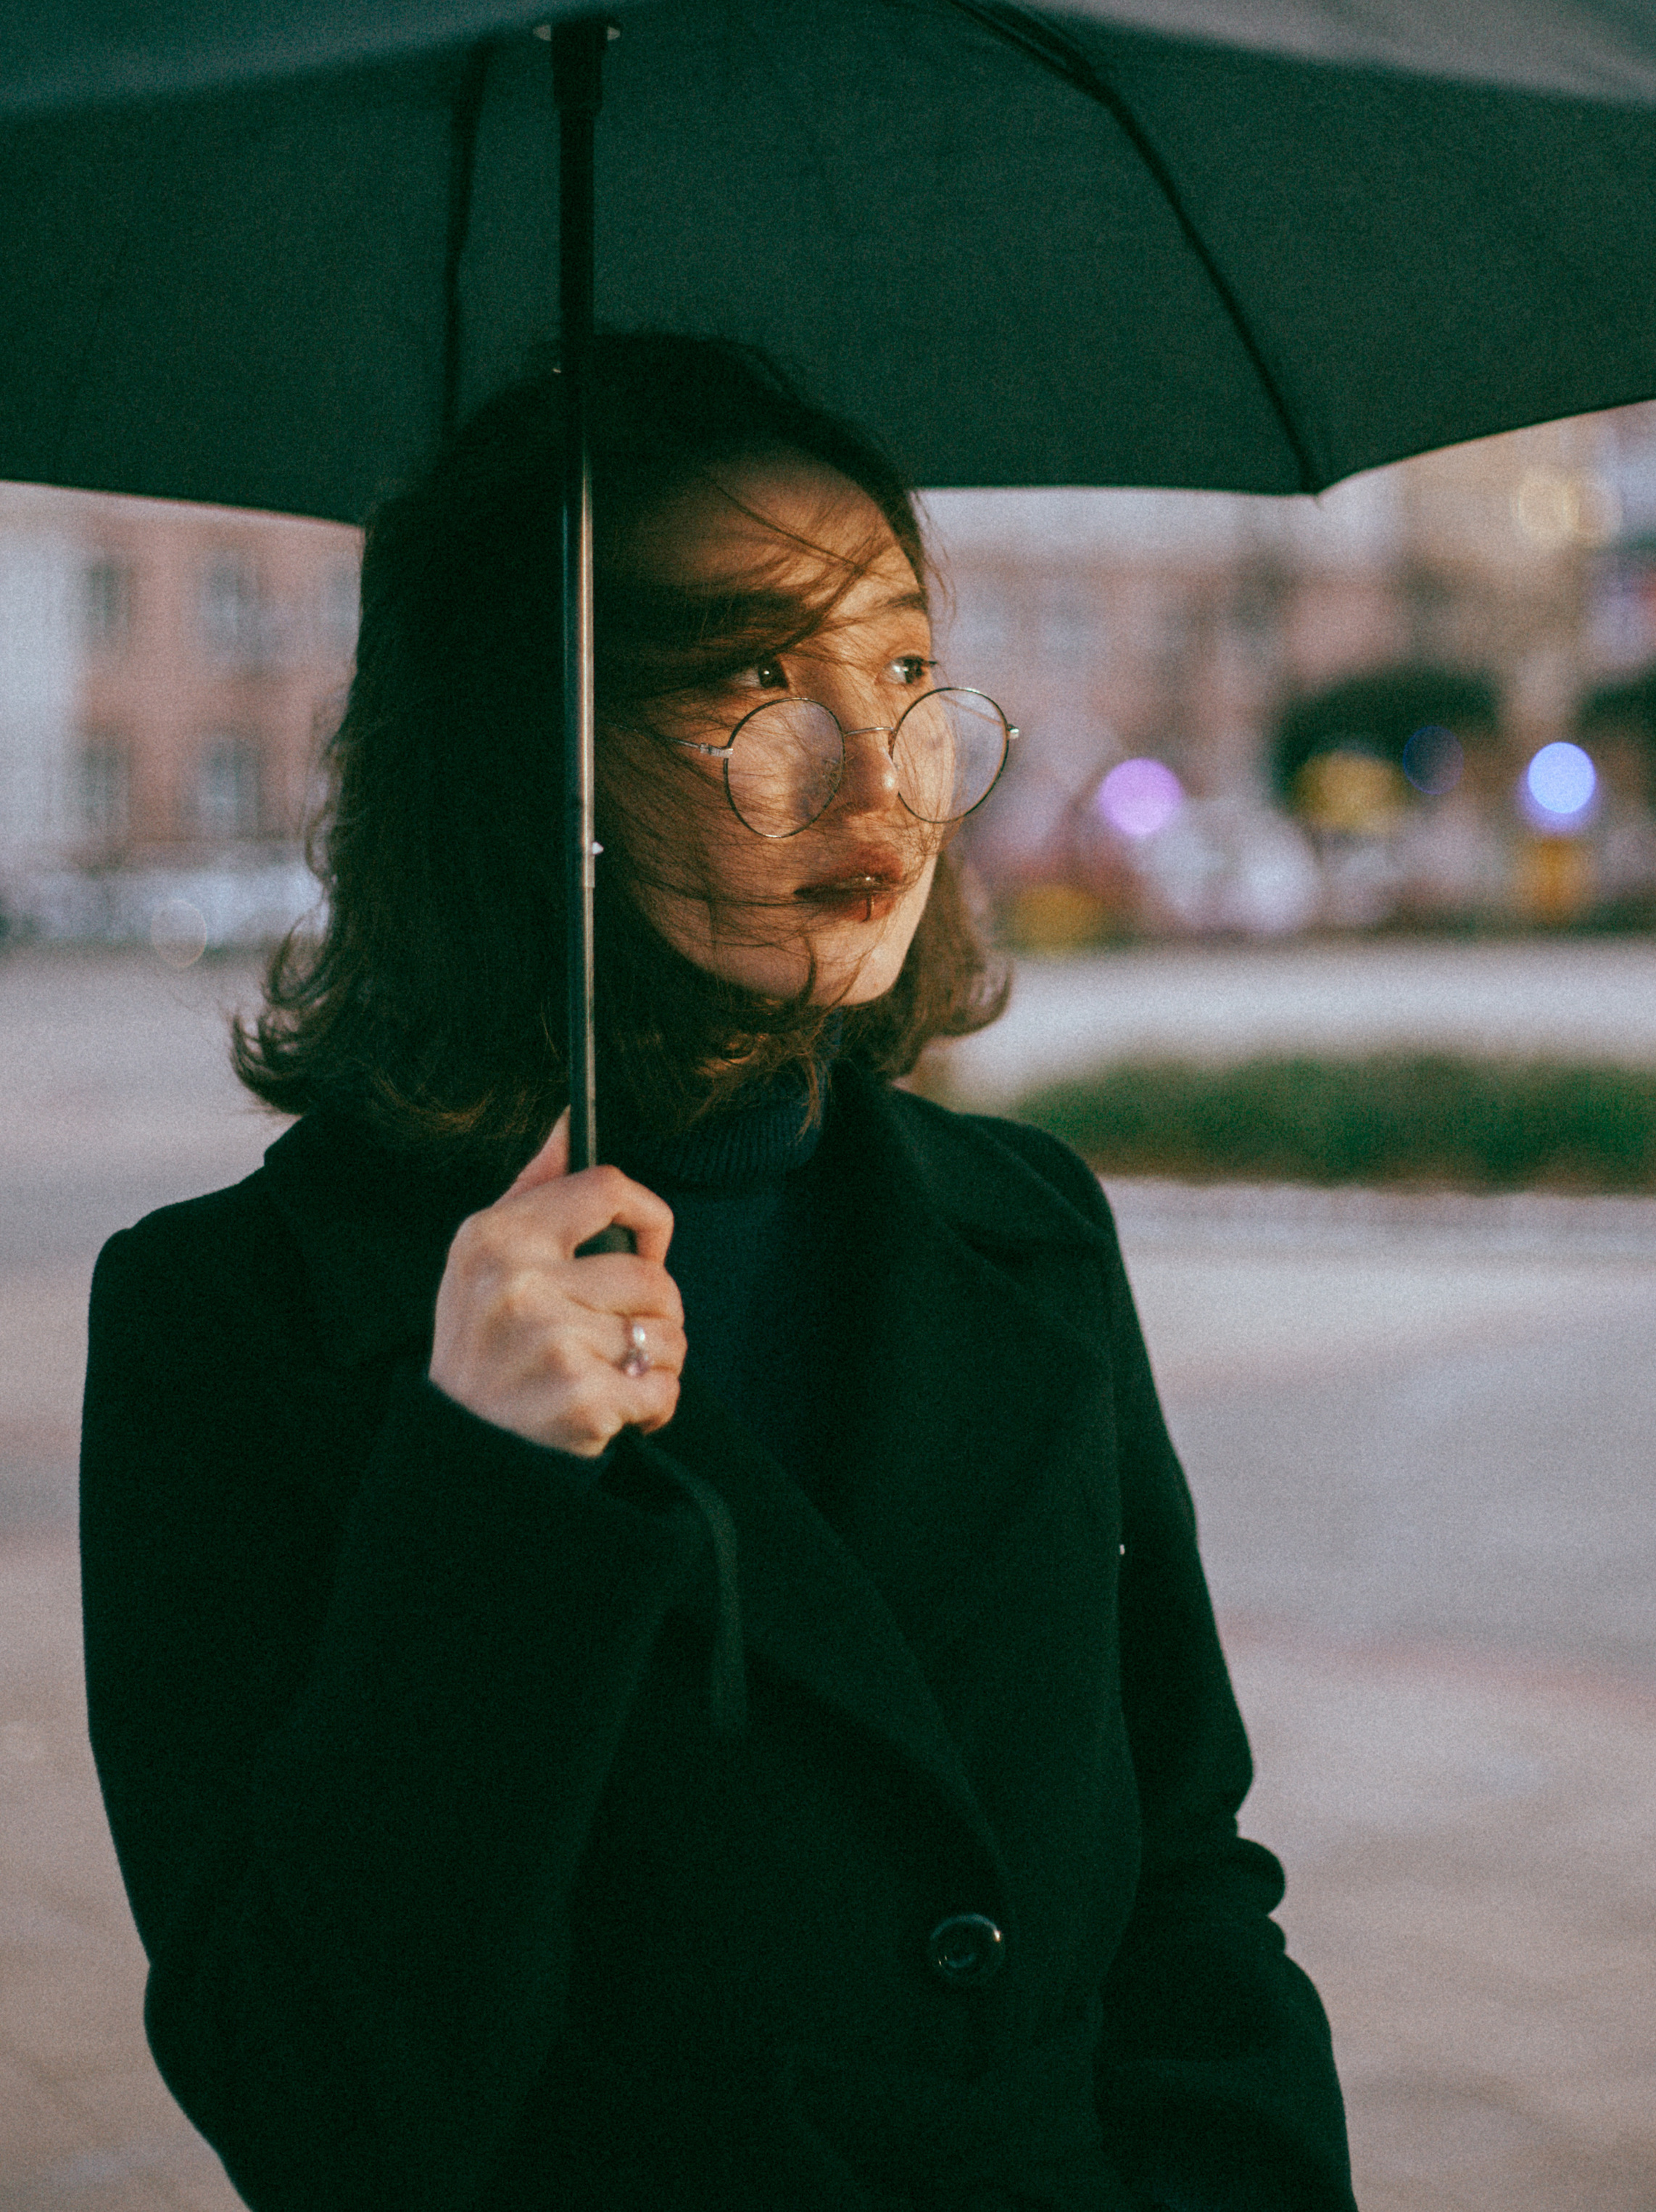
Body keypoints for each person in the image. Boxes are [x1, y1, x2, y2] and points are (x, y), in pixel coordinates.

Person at [80, 334, 1355, 2212]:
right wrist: (483, 1495)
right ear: (518, 747)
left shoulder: (1026, 1228)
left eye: (904, 672)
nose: (876, 778)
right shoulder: (237, 1321)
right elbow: (316, 2106)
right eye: (747, 679)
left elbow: (1184, 1877)